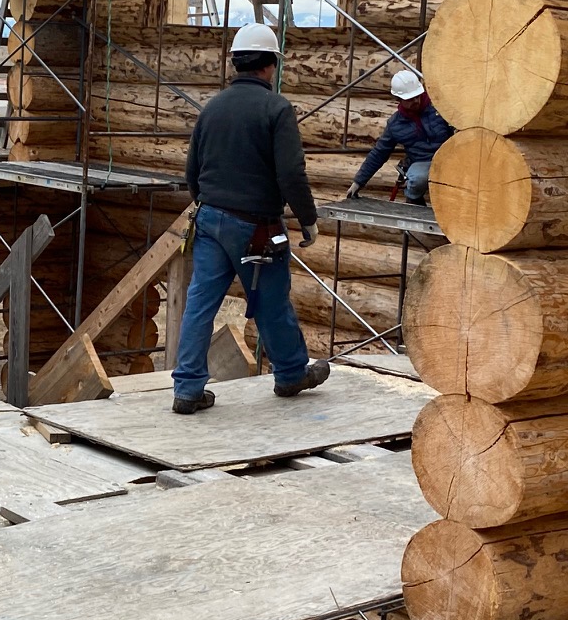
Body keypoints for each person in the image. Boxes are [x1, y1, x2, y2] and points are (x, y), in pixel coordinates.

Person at [171, 22, 330, 416]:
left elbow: (192, 172)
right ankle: (291, 373)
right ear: (270, 64)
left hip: (209, 219)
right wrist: (308, 219)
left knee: (200, 303)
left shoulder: (212, 108)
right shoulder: (276, 108)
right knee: (271, 301)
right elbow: (290, 173)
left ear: (236, 63)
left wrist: (211, 207)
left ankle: (187, 390)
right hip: (257, 226)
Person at [346, 68, 451, 206]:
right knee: (417, 179)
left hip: (450, 157)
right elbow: (379, 153)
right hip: (423, 162)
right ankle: (414, 207)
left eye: (417, 96)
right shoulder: (395, 125)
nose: (416, 101)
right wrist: (358, 182)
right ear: (399, 99)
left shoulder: (440, 108)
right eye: (410, 99)